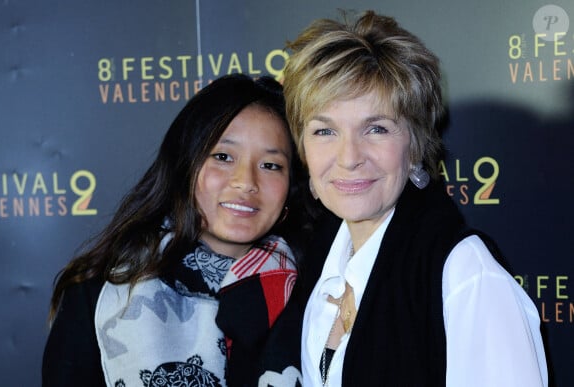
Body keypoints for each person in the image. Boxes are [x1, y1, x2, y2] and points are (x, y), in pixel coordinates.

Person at [279, 10, 548, 386]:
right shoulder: (319, 256)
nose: (349, 157)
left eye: (376, 128)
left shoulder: (466, 274)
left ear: (416, 144)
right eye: (325, 131)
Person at [42, 73, 308, 387]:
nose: (246, 182)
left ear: (291, 184)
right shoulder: (100, 293)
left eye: (271, 165)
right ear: (186, 165)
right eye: (222, 157)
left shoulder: (317, 292)